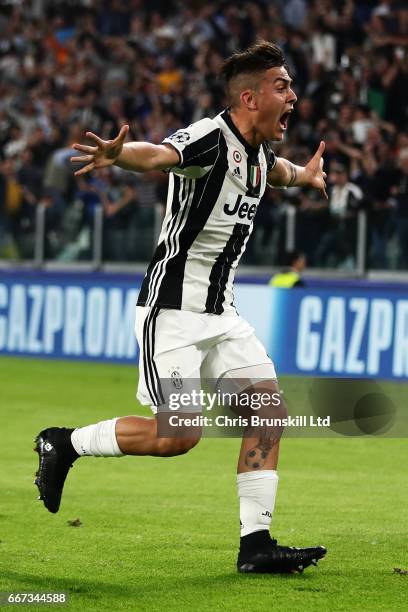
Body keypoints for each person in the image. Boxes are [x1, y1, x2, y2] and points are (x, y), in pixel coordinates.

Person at [34, 41, 327, 574]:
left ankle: (255, 544)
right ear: (249, 97)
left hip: (223, 314)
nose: (293, 95)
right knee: (178, 436)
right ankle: (64, 443)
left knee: (268, 414)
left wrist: (304, 176)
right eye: (281, 86)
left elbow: (276, 171)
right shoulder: (209, 138)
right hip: (171, 312)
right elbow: (162, 155)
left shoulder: (259, 154)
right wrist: (120, 155)